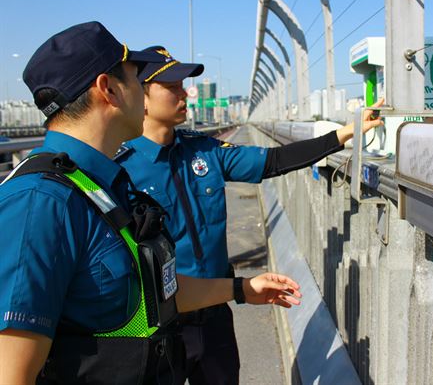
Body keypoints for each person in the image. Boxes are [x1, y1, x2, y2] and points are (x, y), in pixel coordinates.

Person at [0, 22, 301, 385]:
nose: (142, 92)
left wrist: (241, 289)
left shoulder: (103, 185)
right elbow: (12, 373)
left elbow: (151, 291)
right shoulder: (40, 203)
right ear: (109, 89)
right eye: (135, 78)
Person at [115, 45, 383, 385]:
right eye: (172, 87)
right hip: (157, 326)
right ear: (143, 95)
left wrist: (344, 133)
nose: (184, 94)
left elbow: (272, 162)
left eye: (184, 85)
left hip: (214, 315)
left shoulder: (205, 151)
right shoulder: (118, 169)